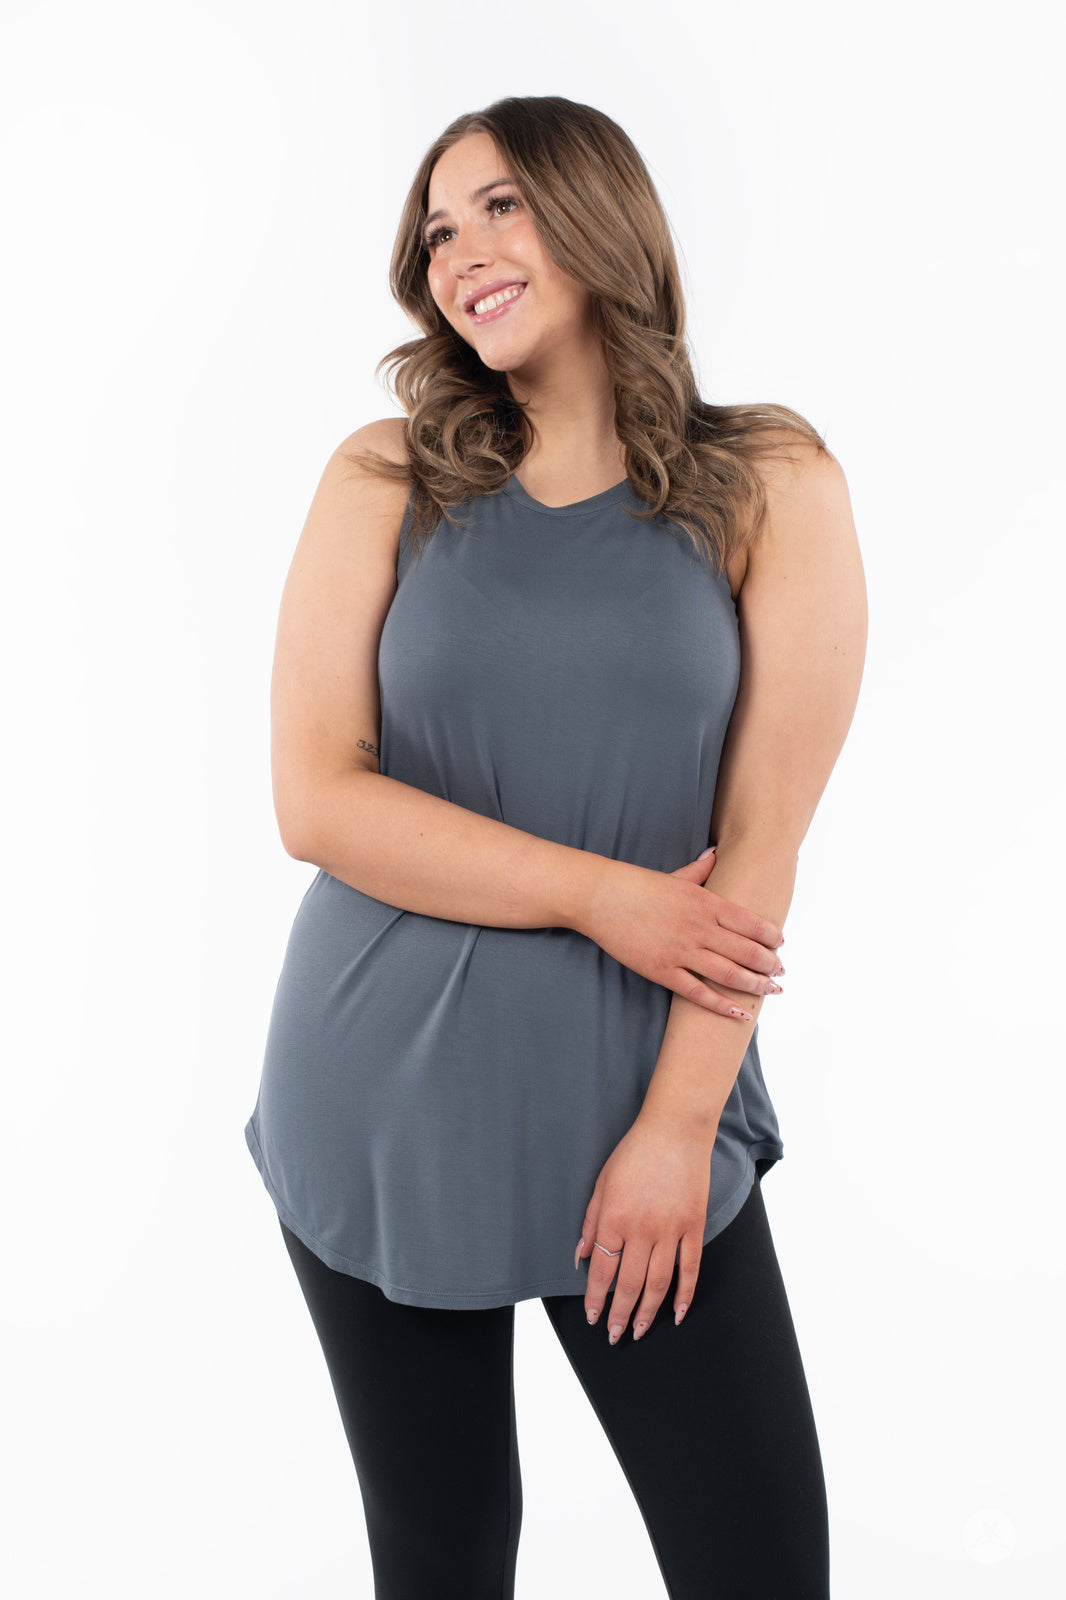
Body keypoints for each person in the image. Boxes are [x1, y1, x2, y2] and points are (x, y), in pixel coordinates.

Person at [243, 95, 867, 1599]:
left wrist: (673, 1130)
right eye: (437, 230)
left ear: (600, 216)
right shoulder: (384, 478)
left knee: (758, 1564)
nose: (461, 252)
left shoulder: (766, 477)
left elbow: (757, 847)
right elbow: (315, 801)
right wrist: (605, 901)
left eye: (499, 206)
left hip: (636, 1098)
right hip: (373, 1088)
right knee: (446, 1561)